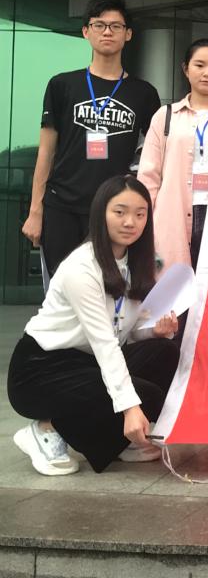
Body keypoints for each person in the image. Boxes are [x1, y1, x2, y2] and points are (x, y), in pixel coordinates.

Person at [7, 175, 180, 475]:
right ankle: (48, 429)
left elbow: (123, 328)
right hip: (40, 370)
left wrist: (154, 331)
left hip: (86, 364)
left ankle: (117, 440)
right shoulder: (81, 268)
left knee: (164, 353)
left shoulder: (136, 264)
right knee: (145, 396)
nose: (130, 222)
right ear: (101, 214)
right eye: (120, 212)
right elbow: (104, 343)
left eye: (140, 214)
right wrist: (130, 409)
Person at [21, 0, 161, 280]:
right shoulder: (62, 85)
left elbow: (154, 155)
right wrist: (36, 211)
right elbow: (46, 152)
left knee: (109, 287)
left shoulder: (144, 93)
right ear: (86, 31)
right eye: (99, 25)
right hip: (62, 206)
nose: (107, 32)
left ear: (128, 34)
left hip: (114, 209)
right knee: (60, 288)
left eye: (115, 26)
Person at [138, 38, 208, 277]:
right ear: (186, 69)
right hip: (172, 214)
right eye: (199, 65)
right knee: (171, 285)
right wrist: (144, 217)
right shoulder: (166, 115)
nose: (207, 73)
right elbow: (149, 174)